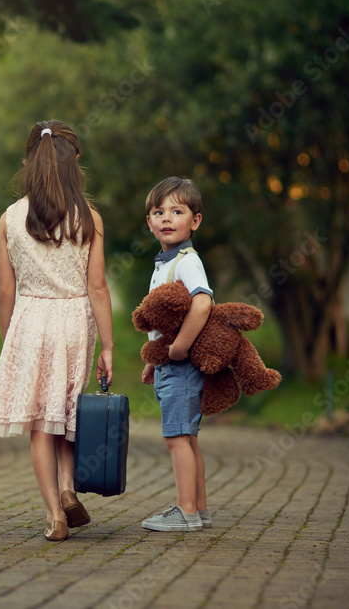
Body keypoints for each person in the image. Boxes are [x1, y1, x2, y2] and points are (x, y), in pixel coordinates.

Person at [0, 119, 114, 542]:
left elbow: (6, 290)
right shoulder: (89, 218)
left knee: (41, 421)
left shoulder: (9, 218)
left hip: (31, 321)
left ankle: (55, 515)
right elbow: (97, 286)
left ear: (27, 162)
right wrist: (108, 346)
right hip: (76, 320)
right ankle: (69, 487)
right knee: (69, 413)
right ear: (76, 163)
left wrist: (10, 339)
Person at [140, 176, 213, 532]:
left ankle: (185, 512)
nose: (167, 218)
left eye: (177, 211)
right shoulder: (164, 262)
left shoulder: (186, 260)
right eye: (159, 212)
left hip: (181, 366)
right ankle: (198, 508)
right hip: (169, 365)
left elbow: (202, 303)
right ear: (150, 222)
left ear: (194, 221)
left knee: (176, 438)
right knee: (188, 436)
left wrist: (179, 348)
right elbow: (164, 318)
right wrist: (154, 358)